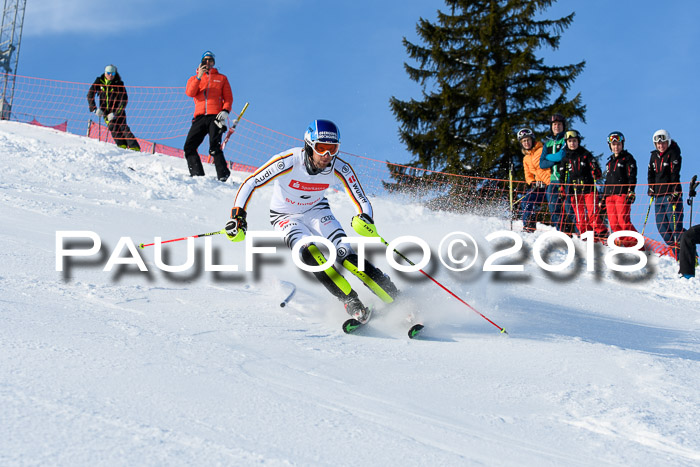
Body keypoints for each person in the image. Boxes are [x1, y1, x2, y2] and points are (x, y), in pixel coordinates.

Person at [224, 119, 399, 322]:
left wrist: (364, 216)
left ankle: (396, 299)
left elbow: (359, 197)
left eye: (332, 149)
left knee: (345, 254)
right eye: (321, 148)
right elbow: (251, 182)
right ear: (309, 146)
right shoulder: (289, 160)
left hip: (317, 211)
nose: (327, 156)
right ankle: (351, 302)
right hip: (285, 217)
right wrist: (238, 216)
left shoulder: (338, 167)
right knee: (309, 253)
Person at [184, 51, 232, 181]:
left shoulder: (222, 78)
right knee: (189, 146)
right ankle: (197, 174)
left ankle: (223, 174)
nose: (208, 63)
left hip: (215, 116)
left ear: (214, 63)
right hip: (199, 117)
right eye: (205, 60)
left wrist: (225, 111)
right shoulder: (194, 79)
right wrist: (199, 76)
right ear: (201, 63)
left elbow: (228, 98)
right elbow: (190, 92)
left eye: (210, 60)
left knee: (214, 146)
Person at [560, 130, 607, 239]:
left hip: (588, 188)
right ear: (566, 143)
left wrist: (596, 171)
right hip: (574, 191)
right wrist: (562, 189)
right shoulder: (565, 158)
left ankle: (602, 233)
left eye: (574, 141)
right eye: (570, 141)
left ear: (578, 141)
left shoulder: (585, 154)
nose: (572, 143)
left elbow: (597, 172)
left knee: (592, 215)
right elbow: (562, 175)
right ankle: (586, 236)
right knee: (580, 217)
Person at [87, 64, 141, 151]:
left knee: (123, 127)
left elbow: (124, 99)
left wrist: (116, 113)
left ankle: (134, 147)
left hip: (117, 111)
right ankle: (122, 146)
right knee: (113, 127)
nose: (110, 75)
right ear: (105, 73)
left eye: (113, 73)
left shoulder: (118, 84)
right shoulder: (99, 81)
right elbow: (90, 94)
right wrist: (94, 109)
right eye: (108, 73)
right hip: (105, 111)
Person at [647, 129, 684, 248]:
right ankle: (677, 253)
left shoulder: (673, 154)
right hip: (658, 196)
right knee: (662, 229)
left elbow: (675, 174)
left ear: (667, 142)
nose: (661, 146)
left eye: (663, 143)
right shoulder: (654, 155)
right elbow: (650, 173)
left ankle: (690, 255)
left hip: (670, 196)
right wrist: (651, 187)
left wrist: (676, 191)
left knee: (676, 229)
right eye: (658, 144)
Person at [602, 131, 639, 246]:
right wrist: (603, 197)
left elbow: (632, 176)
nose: (616, 147)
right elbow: (607, 180)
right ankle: (624, 244)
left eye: (618, 144)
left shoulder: (627, 159)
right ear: (610, 146)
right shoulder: (609, 162)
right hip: (609, 195)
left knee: (623, 221)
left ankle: (636, 245)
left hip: (621, 194)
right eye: (613, 145)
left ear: (622, 144)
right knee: (613, 224)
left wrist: (631, 190)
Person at [539, 113, 574, 232]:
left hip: (566, 179)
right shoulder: (547, 143)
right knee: (554, 209)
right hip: (552, 181)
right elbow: (542, 164)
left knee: (570, 208)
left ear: (563, 126)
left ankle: (580, 234)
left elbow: (561, 155)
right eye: (554, 124)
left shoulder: (566, 140)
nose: (557, 126)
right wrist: (555, 160)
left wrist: (549, 157)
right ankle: (562, 232)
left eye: (559, 124)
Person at [517, 128, 549, 232]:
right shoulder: (526, 158)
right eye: (524, 141)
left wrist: (547, 181)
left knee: (556, 206)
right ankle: (529, 227)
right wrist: (533, 182)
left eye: (528, 140)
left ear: (532, 140)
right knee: (526, 200)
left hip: (550, 184)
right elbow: (528, 174)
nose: (526, 143)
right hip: (539, 187)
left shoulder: (542, 150)